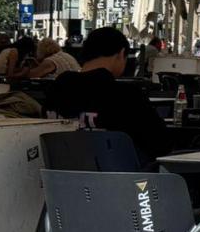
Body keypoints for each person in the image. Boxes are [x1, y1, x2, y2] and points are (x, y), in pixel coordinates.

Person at [48, 26, 166, 160]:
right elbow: (160, 144)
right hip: (118, 177)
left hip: (60, 174)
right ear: (121, 54)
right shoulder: (126, 96)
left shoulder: (57, 89)